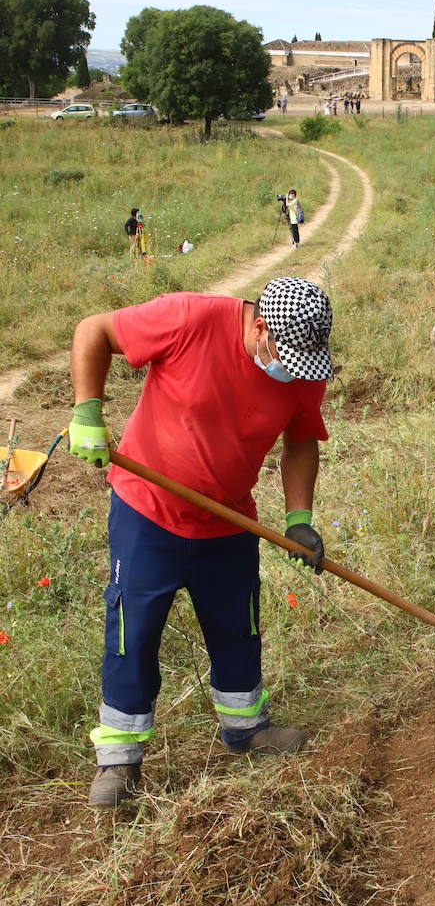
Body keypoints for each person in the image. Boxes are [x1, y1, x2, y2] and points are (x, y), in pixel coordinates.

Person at [67, 275, 333, 808]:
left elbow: (301, 436)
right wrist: (87, 411)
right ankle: (119, 758)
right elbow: (92, 331)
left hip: (230, 518)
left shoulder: (302, 362)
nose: (294, 374)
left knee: (239, 624)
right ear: (260, 327)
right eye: (285, 358)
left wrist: (299, 517)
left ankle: (246, 729)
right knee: (133, 631)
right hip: (149, 509)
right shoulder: (190, 318)